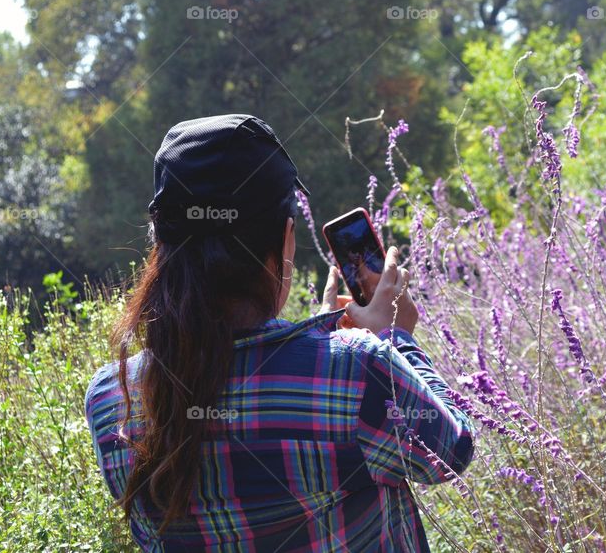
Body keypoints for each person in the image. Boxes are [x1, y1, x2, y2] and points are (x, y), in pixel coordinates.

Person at [84, 114, 475, 552]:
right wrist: (393, 338)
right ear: (285, 239)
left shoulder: (109, 399)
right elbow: (452, 452)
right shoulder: (360, 370)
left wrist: (325, 342)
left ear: (160, 247)